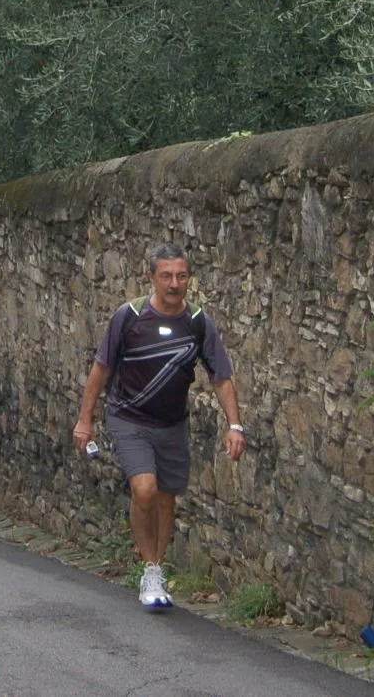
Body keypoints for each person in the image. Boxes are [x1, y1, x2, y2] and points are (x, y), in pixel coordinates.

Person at [72, 242, 246, 611]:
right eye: (166, 276)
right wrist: (85, 420)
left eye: (181, 276)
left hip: (172, 424)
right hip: (129, 418)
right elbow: (101, 368)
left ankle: (157, 566)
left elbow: (221, 377)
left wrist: (235, 425)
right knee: (145, 489)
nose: (174, 284)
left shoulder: (197, 322)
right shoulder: (129, 317)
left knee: (166, 500)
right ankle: (149, 571)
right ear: (151, 276)